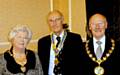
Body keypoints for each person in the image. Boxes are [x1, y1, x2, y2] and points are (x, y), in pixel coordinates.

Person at [38, 10, 83, 75]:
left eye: (57, 19)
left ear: (62, 20)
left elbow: (80, 63)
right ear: (48, 23)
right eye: (51, 21)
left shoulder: (75, 39)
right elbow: (40, 66)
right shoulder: (42, 42)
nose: (54, 23)